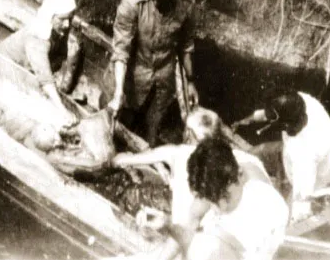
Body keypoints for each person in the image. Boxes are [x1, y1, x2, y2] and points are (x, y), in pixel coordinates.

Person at [113, 108, 272, 254]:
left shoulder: (175, 153)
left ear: (189, 134)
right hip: (206, 234)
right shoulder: (225, 159)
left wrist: (118, 158)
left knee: (131, 194)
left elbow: (122, 161)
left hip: (180, 233)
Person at [105, 0, 198, 146]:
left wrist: (191, 81)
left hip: (164, 77)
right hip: (133, 75)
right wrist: (118, 93)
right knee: (121, 125)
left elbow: (186, 46)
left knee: (153, 128)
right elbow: (121, 52)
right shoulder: (131, 4)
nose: (158, 1)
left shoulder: (187, 5)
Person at [233, 90, 330, 222]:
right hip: (291, 155)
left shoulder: (303, 157)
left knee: (276, 211)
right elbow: (274, 112)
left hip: (302, 179)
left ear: (285, 125)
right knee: (253, 154)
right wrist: (247, 120)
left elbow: (302, 204)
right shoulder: (304, 102)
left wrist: (293, 221)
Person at [184, 138, 288, 260]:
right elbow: (190, 224)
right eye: (213, 202)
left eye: (224, 197)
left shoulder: (266, 208)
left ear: (241, 175)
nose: (220, 208)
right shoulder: (216, 187)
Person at [0, 0, 80, 125]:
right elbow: (45, 79)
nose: (67, 24)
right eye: (62, 19)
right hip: (2, 68)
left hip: (27, 70)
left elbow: (60, 57)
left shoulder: (60, 29)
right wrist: (63, 111)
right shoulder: (37, 37)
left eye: (70, 18)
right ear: (50, 16)